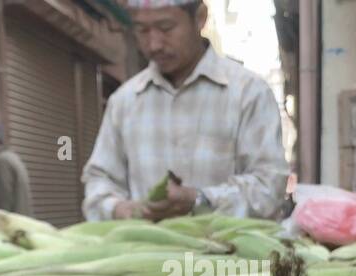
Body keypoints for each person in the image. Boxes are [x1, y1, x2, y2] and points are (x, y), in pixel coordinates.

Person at [81, 0, 289, 223]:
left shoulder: (249, 94)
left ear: (200, 18)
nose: (154, 45)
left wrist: (199, 200)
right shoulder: (123, 102)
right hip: (145, 252)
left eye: (166, 28)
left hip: (224, 254)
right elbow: (99, 181)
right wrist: (120, 209)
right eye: (142, 30)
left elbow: (269, 186)